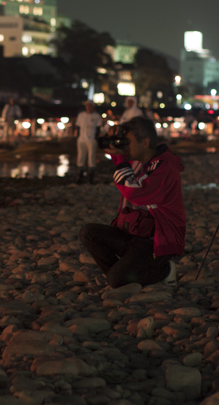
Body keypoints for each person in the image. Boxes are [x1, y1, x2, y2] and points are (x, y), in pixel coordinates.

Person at [79, 116, 185, 289]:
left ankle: (163, 270)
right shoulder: (138, 160)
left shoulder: (164, 167)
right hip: (133, 234)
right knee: (87, 233)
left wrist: (120, 159)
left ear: (144, 142)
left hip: (155, 241)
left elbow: (135, 190)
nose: (125, 147)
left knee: (115, 281)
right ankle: (129, 272)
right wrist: (114, 137)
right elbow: (113, 153)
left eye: (127, 142)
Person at [74, 101, 103, 182]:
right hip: (81, 139)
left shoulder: (96, 116)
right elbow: (78, 127)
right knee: (81, 156)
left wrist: (95, 139)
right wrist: (78, 137)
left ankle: (91, 176)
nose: (89, 107)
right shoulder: (81, 115)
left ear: (93, 107)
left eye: (90, 106)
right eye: (87, 105)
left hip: (91, 140)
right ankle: (80, 174)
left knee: (91, 157)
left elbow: (98, 128)